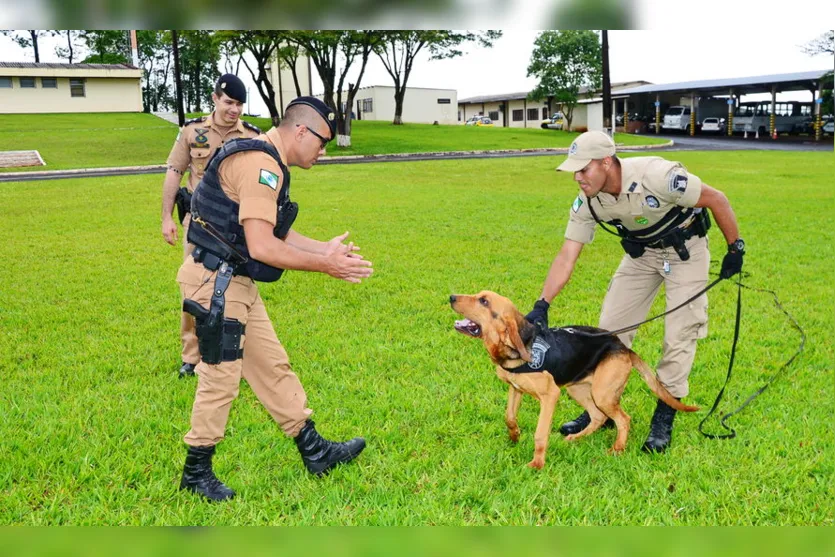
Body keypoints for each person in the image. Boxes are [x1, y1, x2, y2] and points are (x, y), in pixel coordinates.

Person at [176, 96, 373, 501]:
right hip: (216, 282)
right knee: (220, 378)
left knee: (272, 365)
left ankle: (314, 450)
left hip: (234, 281)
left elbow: (268, 229)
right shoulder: (260, 165)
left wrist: (324, 249)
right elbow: (263, 246)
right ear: (301, 131)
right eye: (321, 143)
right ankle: (196, 472)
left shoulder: (264, 159)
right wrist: (327, 266)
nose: (322, 152)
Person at [525, 131, 744, 453]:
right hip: (641, 257)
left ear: (606, 162)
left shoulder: (658, 177)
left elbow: (717, 198)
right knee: (608, 333)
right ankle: (601, 410)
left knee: (680, 331)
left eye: (584, 169)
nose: (578, 178)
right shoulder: (589, 201)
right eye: (574, 170)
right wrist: (542, 303)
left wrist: (734, 248)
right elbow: (567, 254)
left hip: (687, 252)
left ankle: (664, 414)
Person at [161, 73, 262, 378]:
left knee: (237, 289)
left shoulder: (251, 136)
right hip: (200, 225)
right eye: (229, 102)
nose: (235, 109)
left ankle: (235, 353)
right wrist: (166, 217)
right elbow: (175, 171)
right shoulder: (192, 131)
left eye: (240, 104)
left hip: (236, 227)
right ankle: (191, 357)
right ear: (215, 98)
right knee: (194, 289)